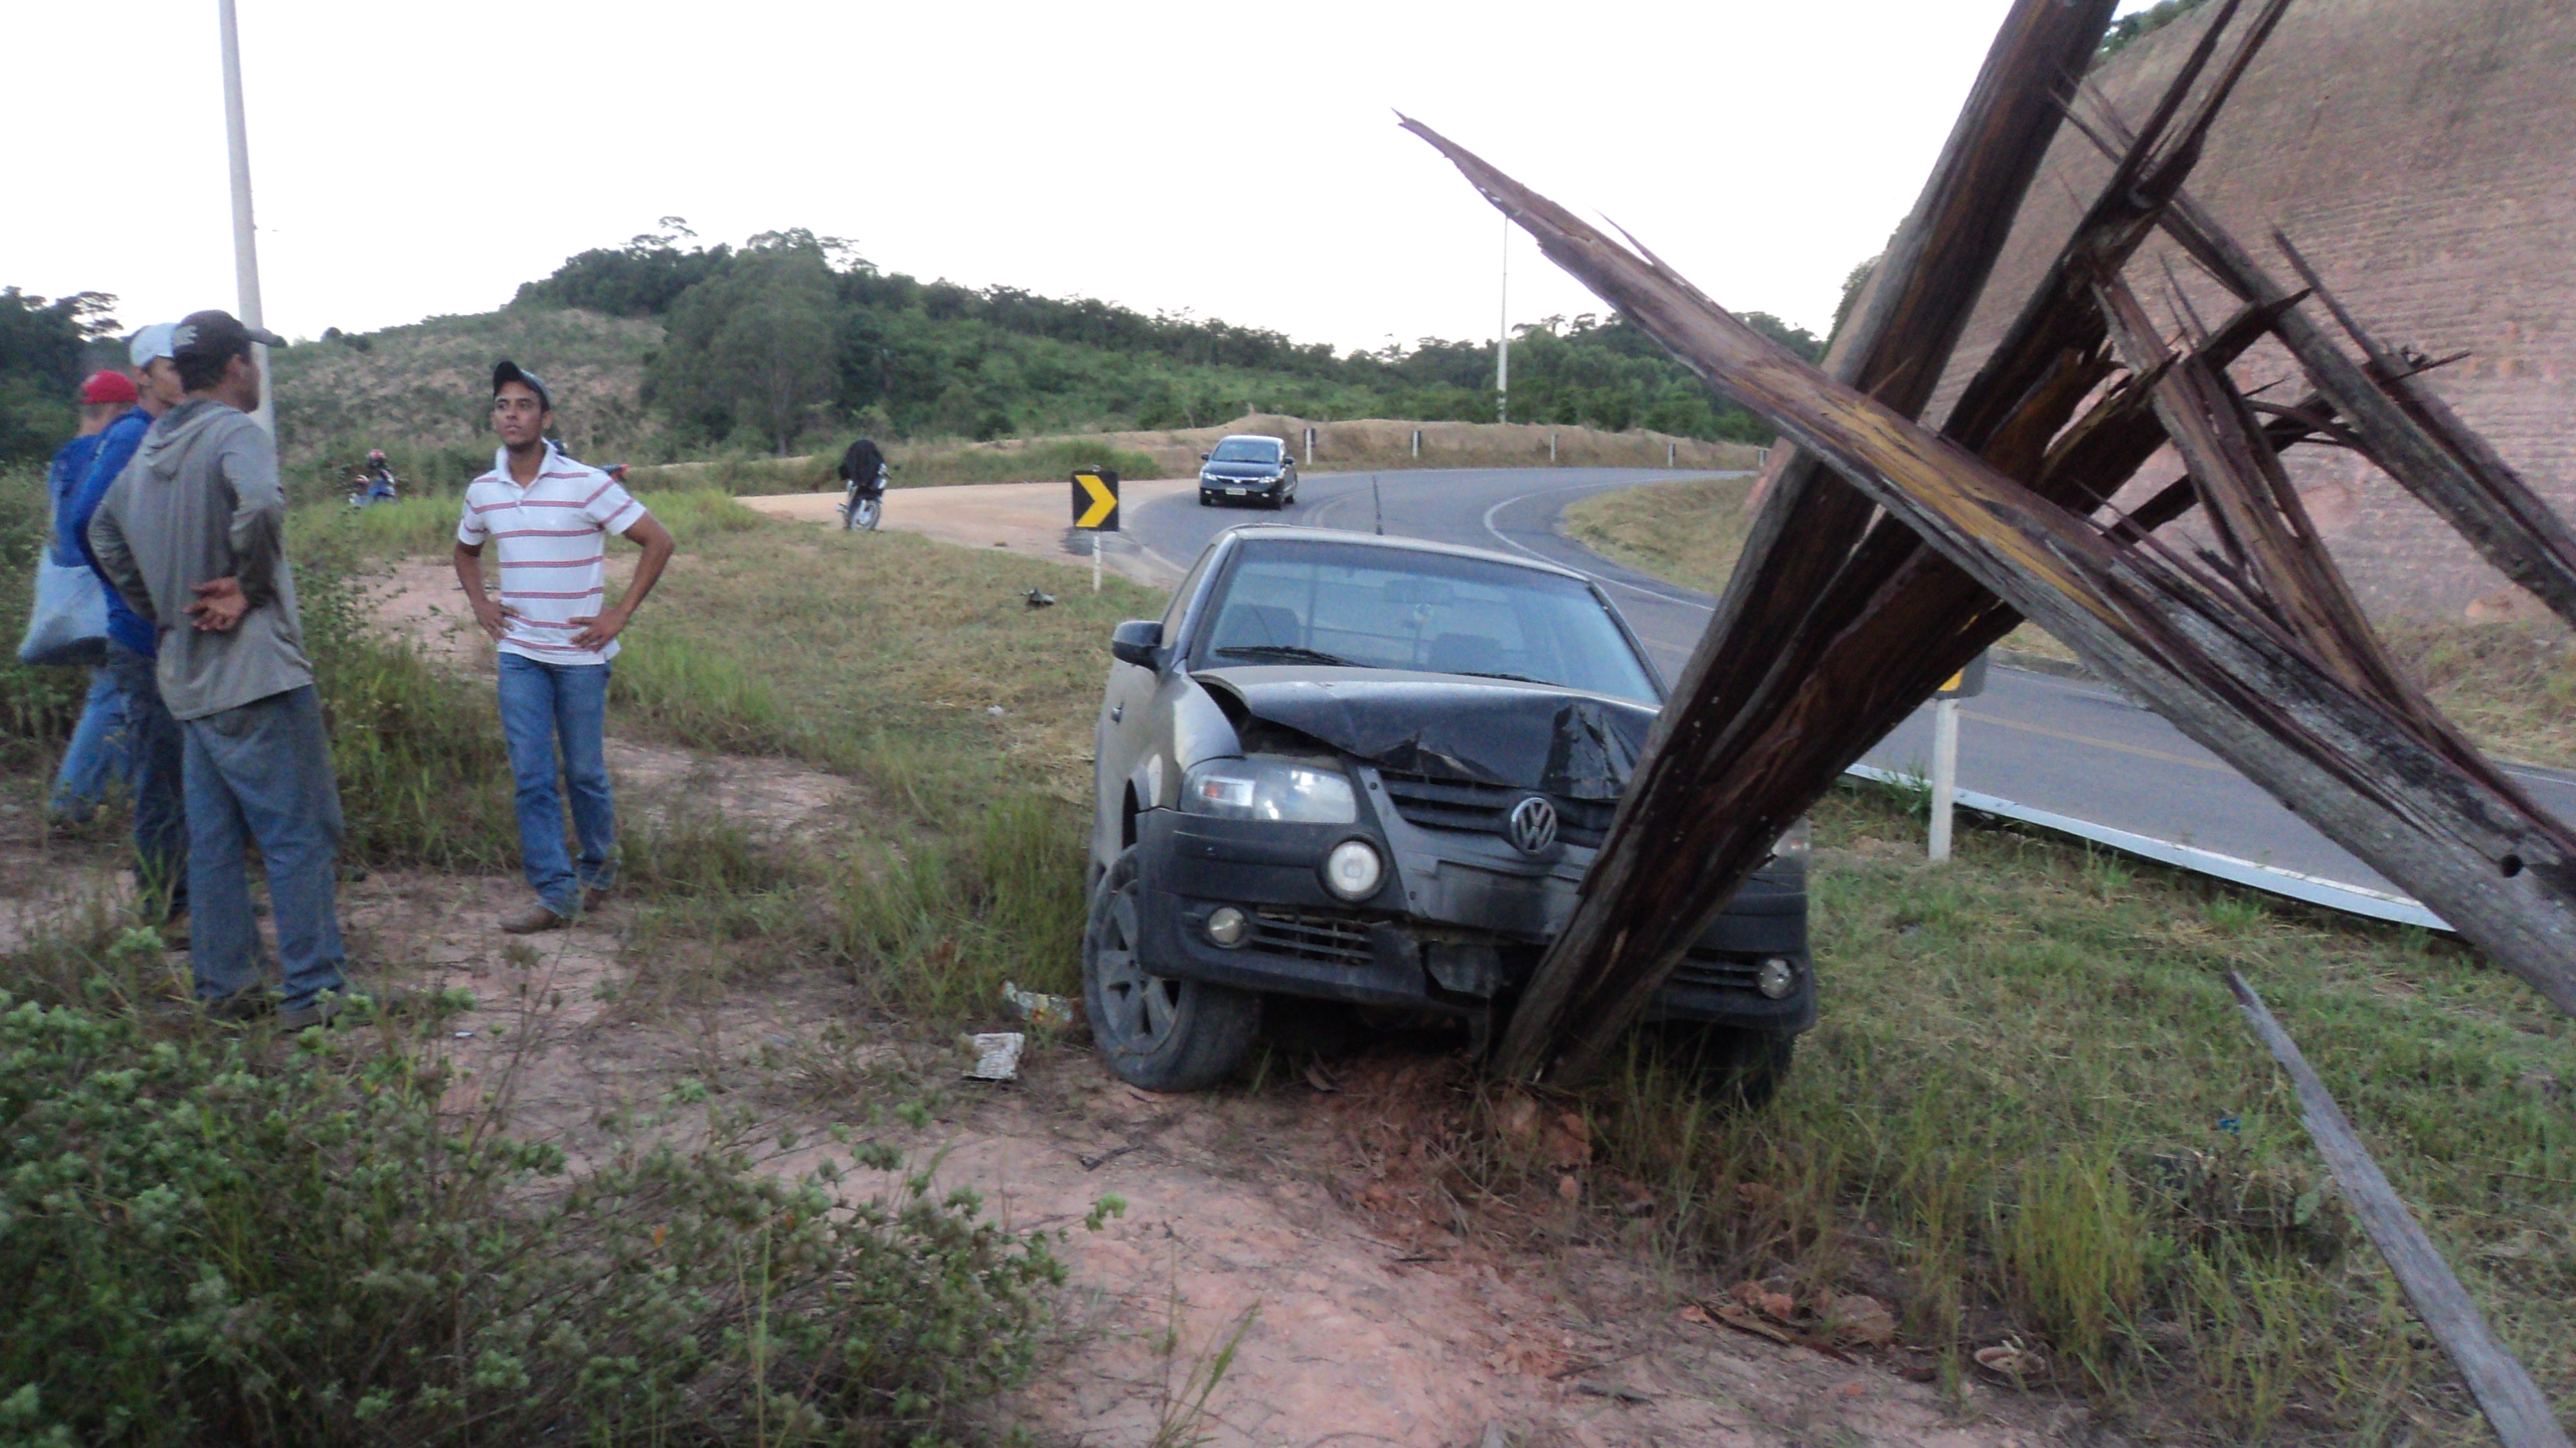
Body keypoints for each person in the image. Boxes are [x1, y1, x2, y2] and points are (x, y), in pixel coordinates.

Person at [88, 310, 361, 1026]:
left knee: (211, 842)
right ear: (236, 365)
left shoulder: (151, 448)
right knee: (299, 830)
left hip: (187, 679)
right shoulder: (237, 433)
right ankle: (315, 992)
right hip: (257, 674)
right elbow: (264, 502)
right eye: (254, 360)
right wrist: (250, 586)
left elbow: (102, 531)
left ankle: (227, 986)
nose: (259, 372)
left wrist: (163, 611)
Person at [454, 361, 675, 934]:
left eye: (525, 404)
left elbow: (658, 540)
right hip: (520, 652)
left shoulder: (587, 482)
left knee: (584, 773)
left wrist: (618, 615)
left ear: (545, 417)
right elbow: (466, 551)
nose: (512, 414)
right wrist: (482, 605)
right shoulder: (484, 490)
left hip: (580, 653)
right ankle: (555, 892)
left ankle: (598, 873)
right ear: (494, 416)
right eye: (503, 405)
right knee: (531, 775)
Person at [61, 329, 191, 930]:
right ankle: (162, 906)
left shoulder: (165, 433)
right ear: (144, 375)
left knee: (178, 772)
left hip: (168, 636)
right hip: (142, 639)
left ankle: (183, 894)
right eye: (172, 365)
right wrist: (135, 597)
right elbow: (88, 519)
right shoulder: (133, 436)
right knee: (160, 776)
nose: (183, 374)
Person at [44, 371, 142, 821]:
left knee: (123, 697)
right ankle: (71, 801)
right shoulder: (109, 451)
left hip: (73, 593)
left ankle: (137, 796)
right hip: (105, 587)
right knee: (111, 693)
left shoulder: (65, 458)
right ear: (121, 410)